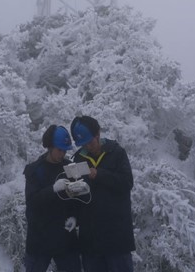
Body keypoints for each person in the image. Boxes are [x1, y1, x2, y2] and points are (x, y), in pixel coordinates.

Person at [70, 115, 135, 272]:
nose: (88, 146)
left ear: (98, 134)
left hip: (116, 236)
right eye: (83, 144)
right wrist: (72, 189)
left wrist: (100, 175)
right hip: (90, 239)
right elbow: (80, 198)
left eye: (90, 142)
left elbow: (126, 183)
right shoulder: (79, 158)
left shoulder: (116, 153)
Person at [23, 125, 81, 272]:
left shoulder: (71, 167)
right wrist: (52, 189)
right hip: (40, 239)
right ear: (50, 146)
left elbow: (79, 200)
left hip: (66, 239)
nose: (62, 154)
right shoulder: (35, 170)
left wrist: (76, 217)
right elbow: (32, 203)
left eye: (65, 150)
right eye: (59, 149)